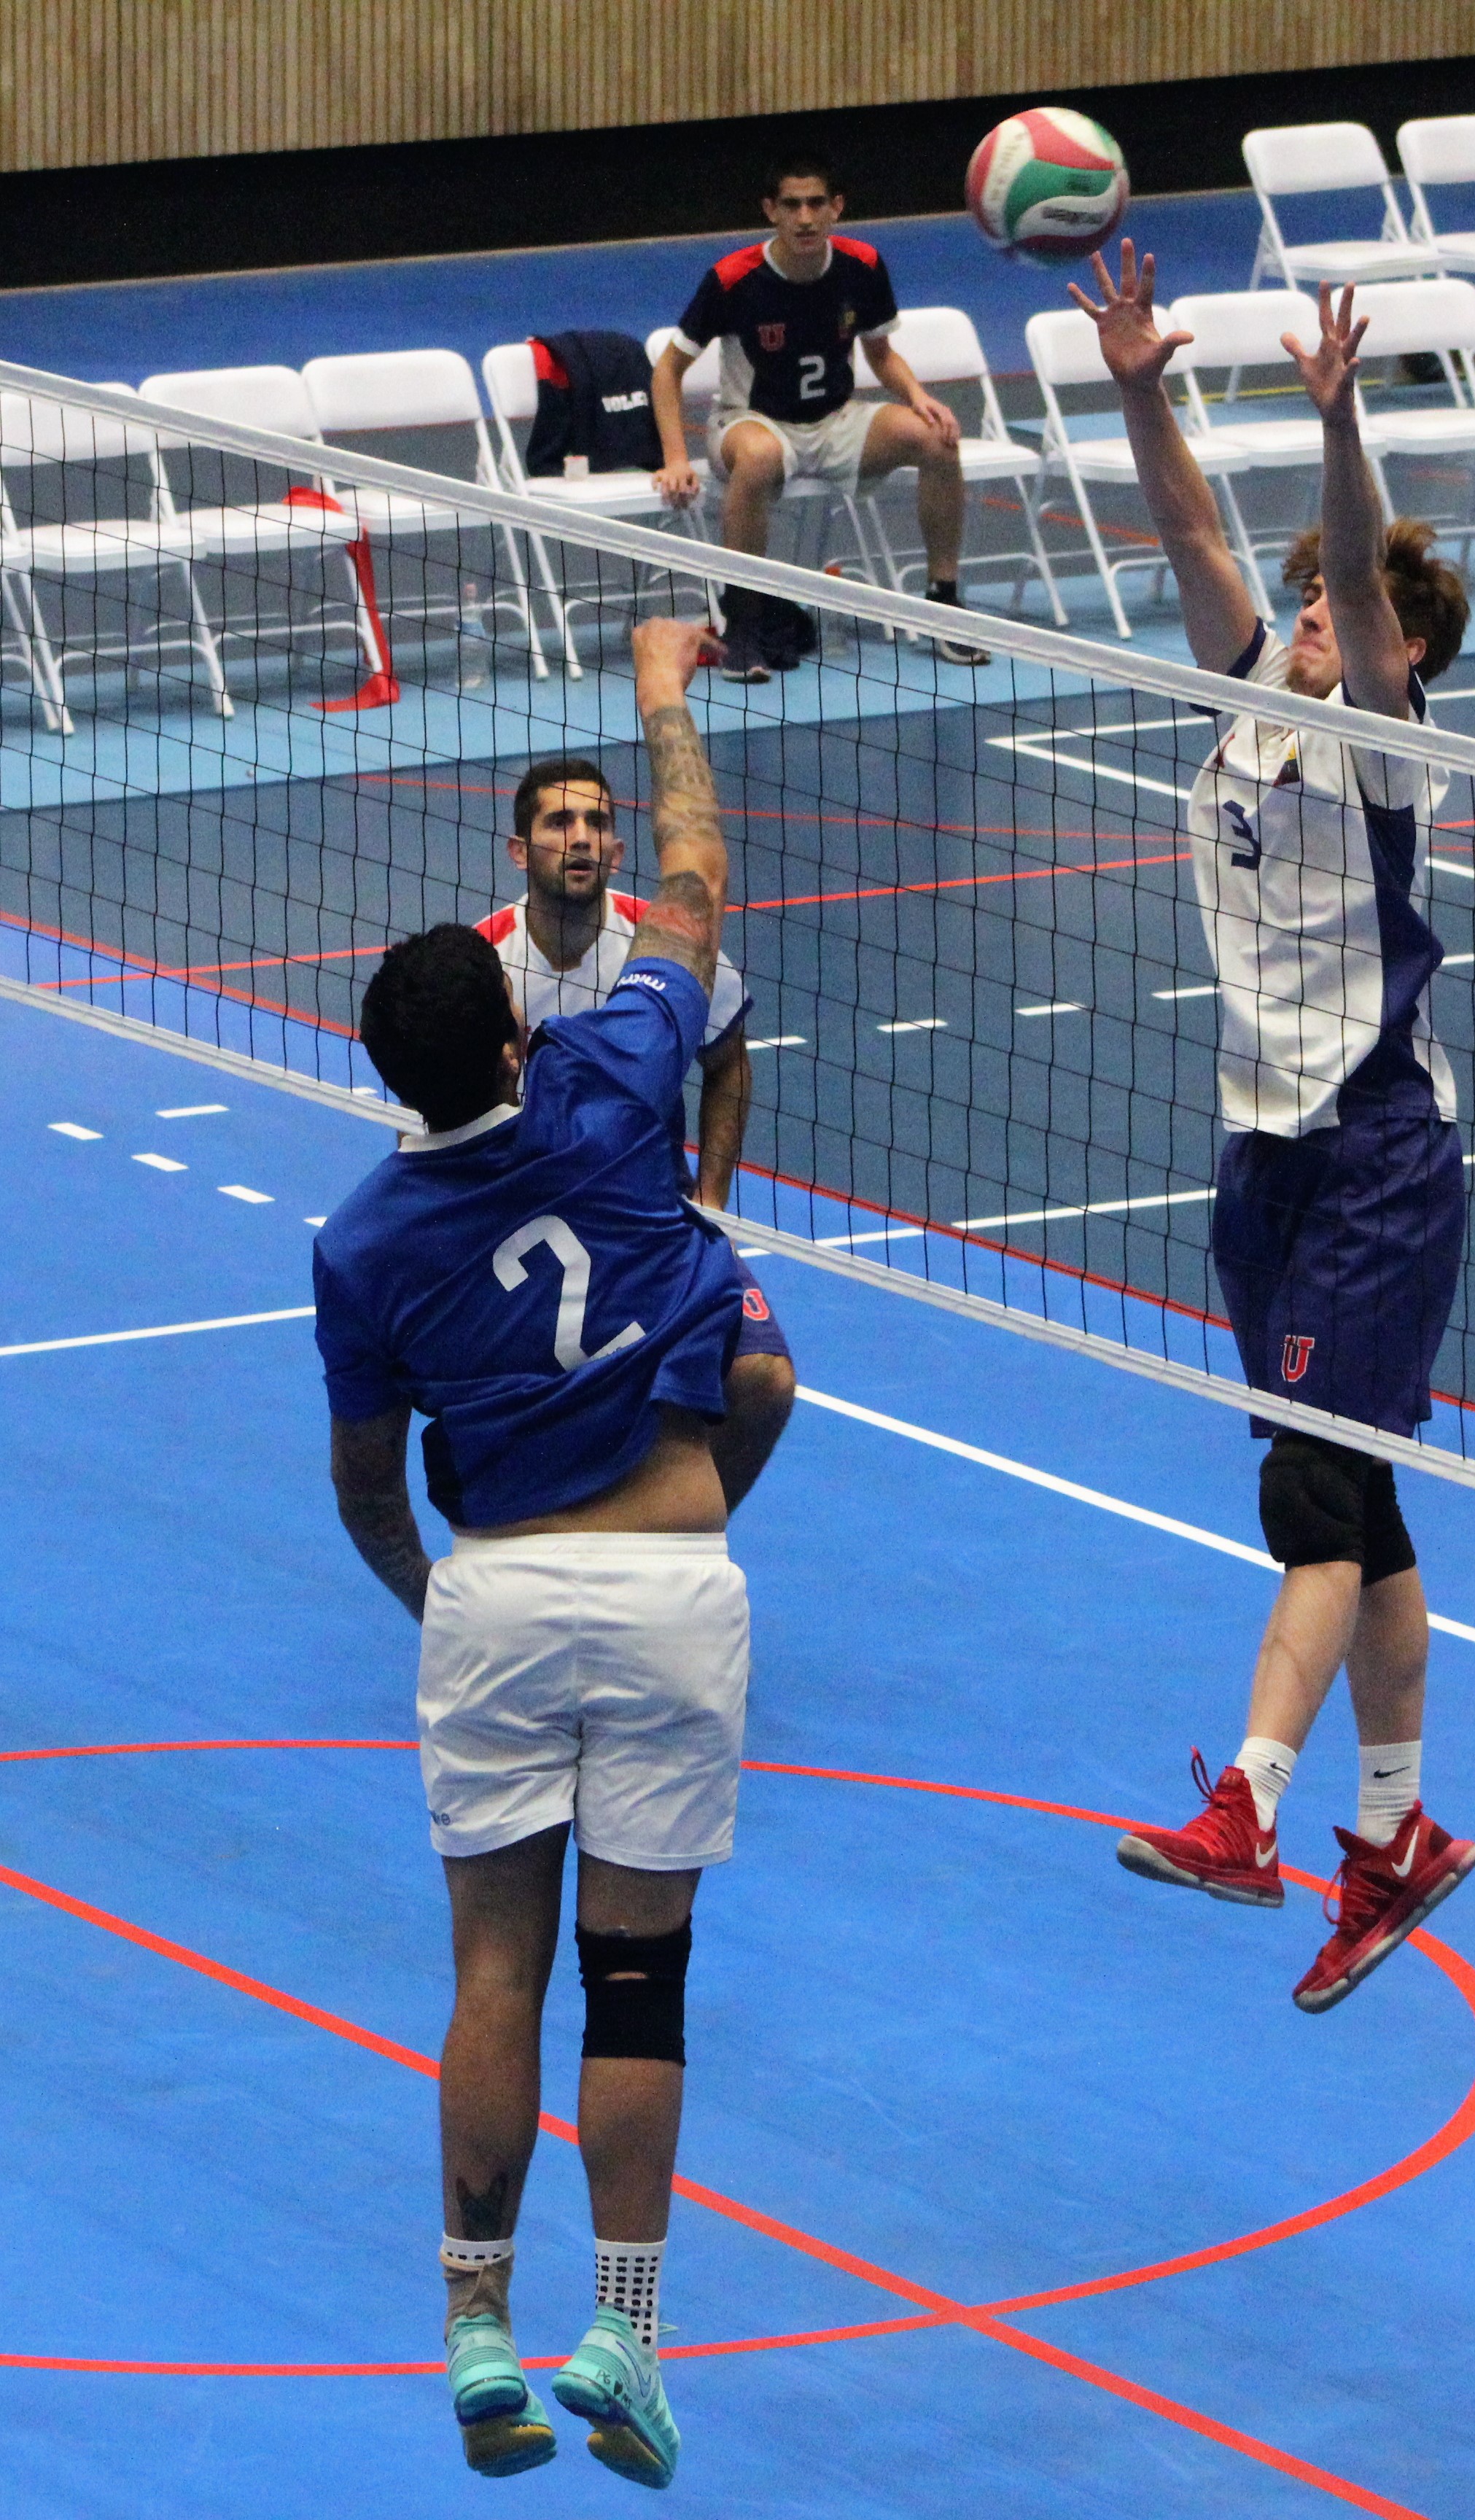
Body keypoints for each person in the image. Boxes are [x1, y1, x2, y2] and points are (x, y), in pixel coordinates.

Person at [316, 618, 753, 2490]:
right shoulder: (618, 1075)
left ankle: (478, 2325)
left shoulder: (359, 1242)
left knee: (495, 1974)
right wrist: (661, 689)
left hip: (493, 1597)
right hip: (668, 1588)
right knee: (638, 1980)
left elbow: (365, 1489)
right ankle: (626, 2336)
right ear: (514, 1035)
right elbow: (695, 884)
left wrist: (445, 1602)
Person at [1073, 240, 1475, 2015]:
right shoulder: (1249, 695)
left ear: (1400, 649)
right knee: (1358, 1505)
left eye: (1342, 603)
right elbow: (1189, 535)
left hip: (1378, 1148)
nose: (1314, 614)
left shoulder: (1392, 741)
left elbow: (1365, 590)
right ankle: (1396, 1838)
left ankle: (1248, 1805)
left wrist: (1336, 426)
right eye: (1309, 598)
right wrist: (1141, 387)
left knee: (1310, 1494)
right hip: (1261, 1153)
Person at [478, 753, 795, 1509]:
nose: (581, 837)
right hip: (526, 1215)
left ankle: (689, 1531)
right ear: (520, 850)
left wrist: (710, 1201)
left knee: (763, 1382)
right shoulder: (483, 962)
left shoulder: (666, 943)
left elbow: (728, 1060)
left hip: (652, 1209)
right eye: (560, 822)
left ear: (617, 850)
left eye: (596, 823)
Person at [650, 149, 988, 677]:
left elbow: (880, 353)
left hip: (836, 421)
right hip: (752, 422)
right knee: (759, 456)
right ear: (771, 210)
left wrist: (916, 395)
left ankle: (943, 603)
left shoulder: (862, 265)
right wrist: (675, 457)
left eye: (815, 204)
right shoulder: (733, 278)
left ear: (837, 207)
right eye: (792, 205)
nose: (805, 218)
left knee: (938, 439)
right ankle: (742, 625)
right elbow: (668, 370)